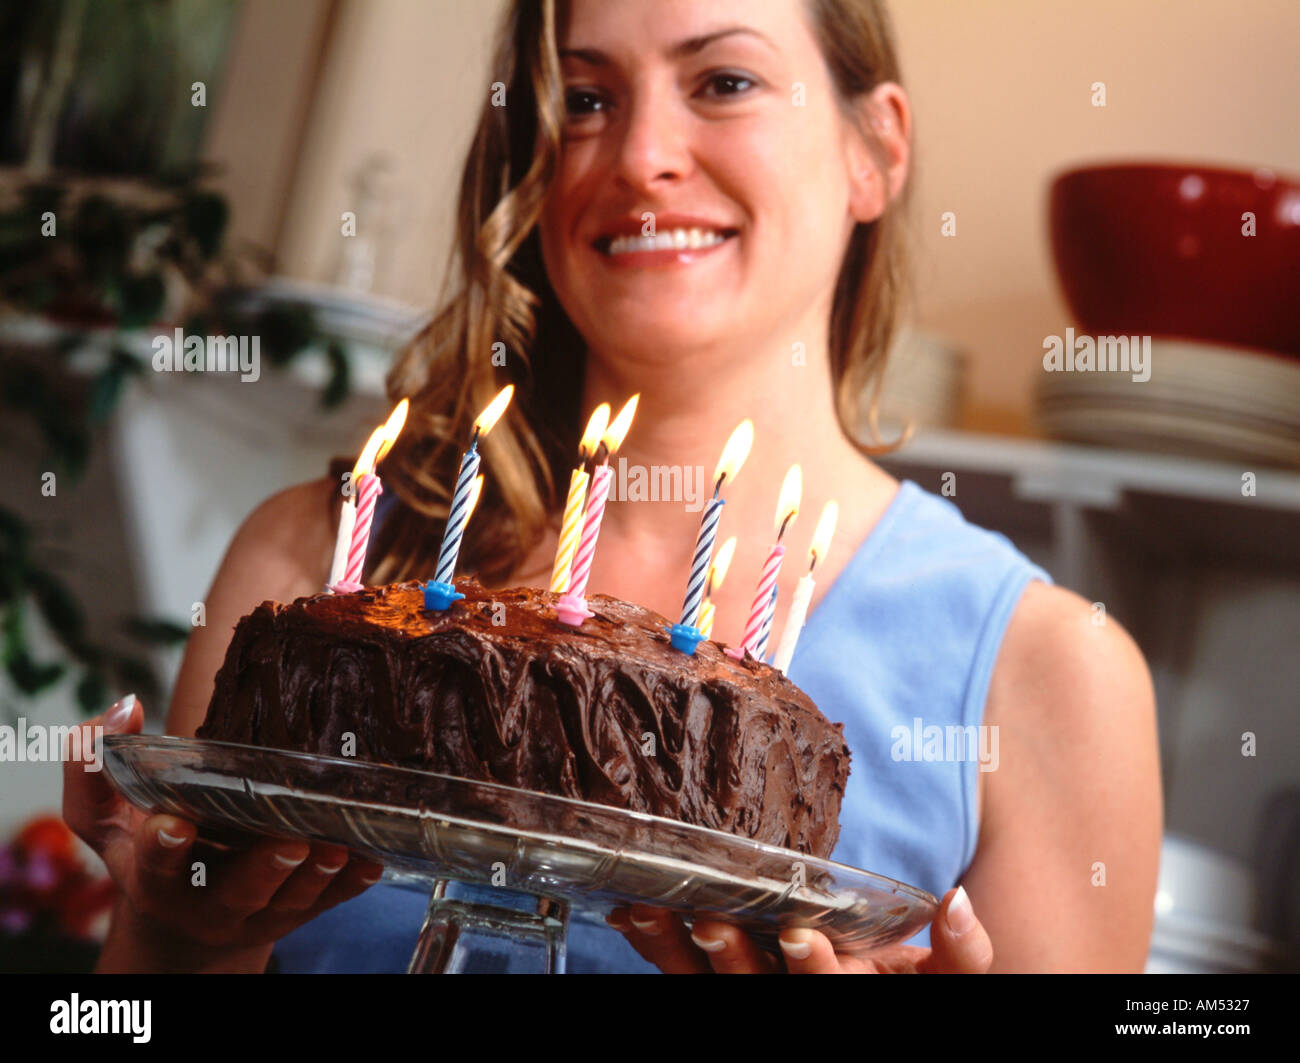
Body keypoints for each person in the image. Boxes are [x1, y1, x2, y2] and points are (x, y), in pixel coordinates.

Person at [65, 0, 1161, 973]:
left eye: (722, 81)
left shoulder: (1049, 676)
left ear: (874, 146)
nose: (638, 156)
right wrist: (181, 936)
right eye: (583, 98)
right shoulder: (320, 566)